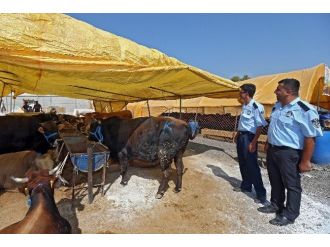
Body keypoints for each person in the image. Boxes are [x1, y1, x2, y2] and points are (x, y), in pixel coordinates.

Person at [258, 78, 323, 226]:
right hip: (273, 150)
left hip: (289, 153)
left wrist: (306, 161)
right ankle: (276, 204)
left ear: (288, 92)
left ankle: (290, 214)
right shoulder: (277, 107)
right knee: (275, 180)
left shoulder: (305, 110)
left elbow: (310, 138)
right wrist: (268, 142)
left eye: (278, 89)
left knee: (291, 184)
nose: (275, 91)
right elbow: (274, 128)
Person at [233, 83, 268, 203]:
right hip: (242, 136)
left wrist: (253, 142)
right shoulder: (244, 105)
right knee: (242, 162)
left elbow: (259, 126)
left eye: (241, 91)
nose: (239, 93)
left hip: (250, 137)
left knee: (252, 165)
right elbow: (243, 123)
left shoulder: (256, 106)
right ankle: (246, 186)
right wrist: (238, 134)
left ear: (246, 93)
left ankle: (261, 194)